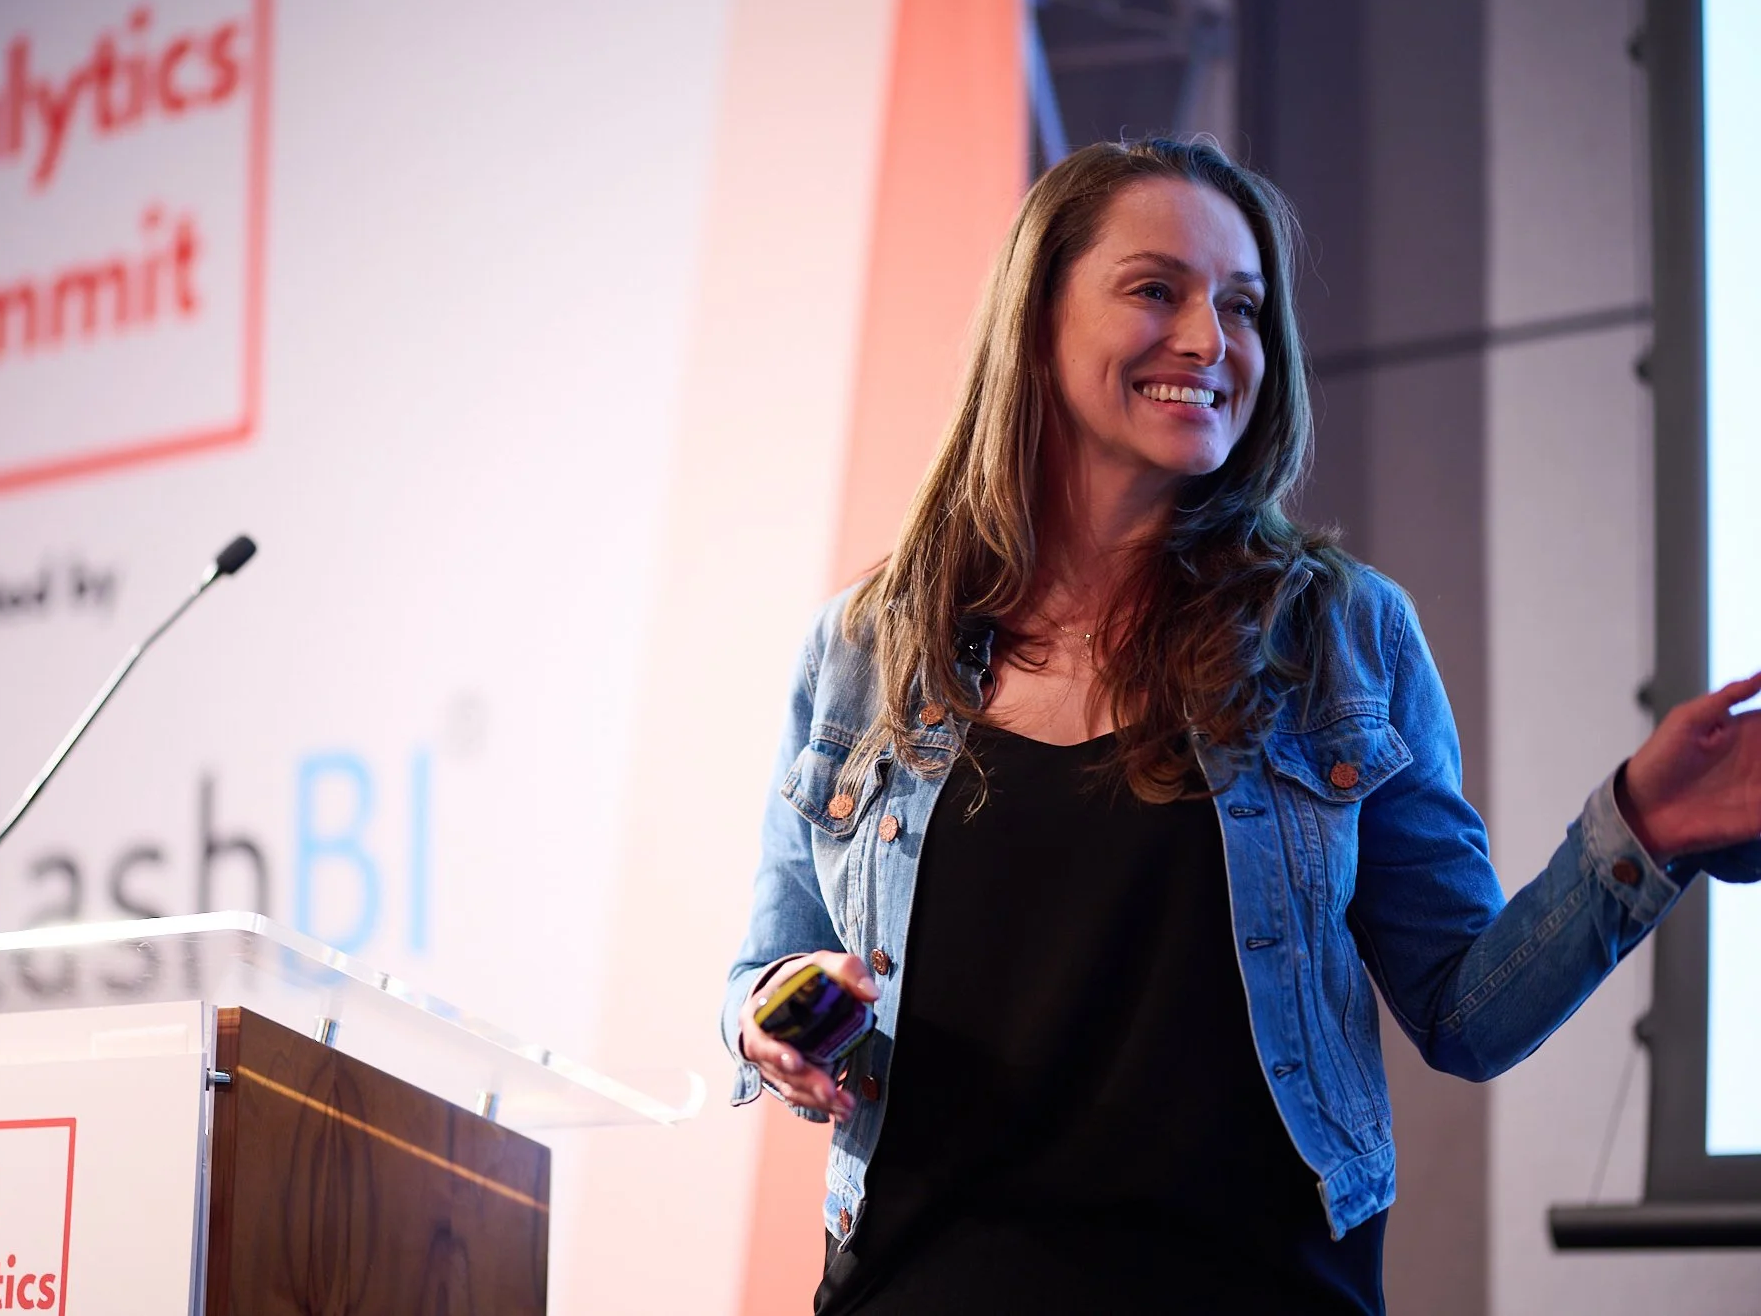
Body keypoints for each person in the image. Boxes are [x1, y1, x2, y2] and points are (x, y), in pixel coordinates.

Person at [718, 137, 1761, 1315]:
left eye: (1244, 307)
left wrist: (1643, 830)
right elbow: (770, 971)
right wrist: (781, 1021)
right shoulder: (867, 647)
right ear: (1035, 320)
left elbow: (1467, 1014)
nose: (1211, 341)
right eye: (1155, 290)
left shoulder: (1336, 636)